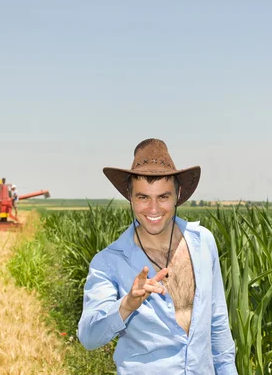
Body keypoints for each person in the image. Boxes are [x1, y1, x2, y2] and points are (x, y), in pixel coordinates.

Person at [78, 138, 237, 374]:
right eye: (143, 197)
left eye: (163, 197)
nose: (153, 209)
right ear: (130, 197)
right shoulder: (108, 262)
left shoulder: (203, 242)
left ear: (178, 194)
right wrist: (126, 305)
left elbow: (218, 326)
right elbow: (89, 337)